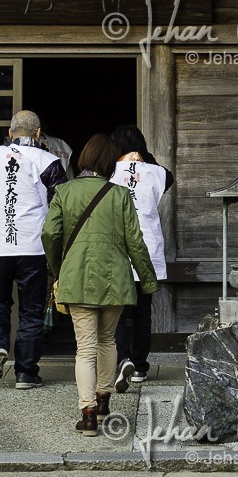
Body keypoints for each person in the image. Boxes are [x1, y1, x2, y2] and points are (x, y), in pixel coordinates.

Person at [43, 132, 157, 437]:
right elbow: (136, 242)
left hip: (78, 277)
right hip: (115, 278)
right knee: (108, 341)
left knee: (85, 348)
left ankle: (88, 414)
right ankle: (104, 401)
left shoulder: (64, 191)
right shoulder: (119, 195)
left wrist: (58, 268)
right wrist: (147, 280)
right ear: (109, 163)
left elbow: (50, 234)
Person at [0, 110, 66, 389]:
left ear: (10, 133)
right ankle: (25, 373)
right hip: (34, 247)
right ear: (38, 133)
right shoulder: (48, 161)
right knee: (31, 310)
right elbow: (60, 206)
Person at [107, 124, 173, 390]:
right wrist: (144, 156)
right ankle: (140, 367)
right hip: (147, 249)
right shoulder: (157, 173)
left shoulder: (109, 171)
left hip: (118, 248)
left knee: (117, 311)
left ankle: (123, 359)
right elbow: (168, 176)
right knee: (143, 312)